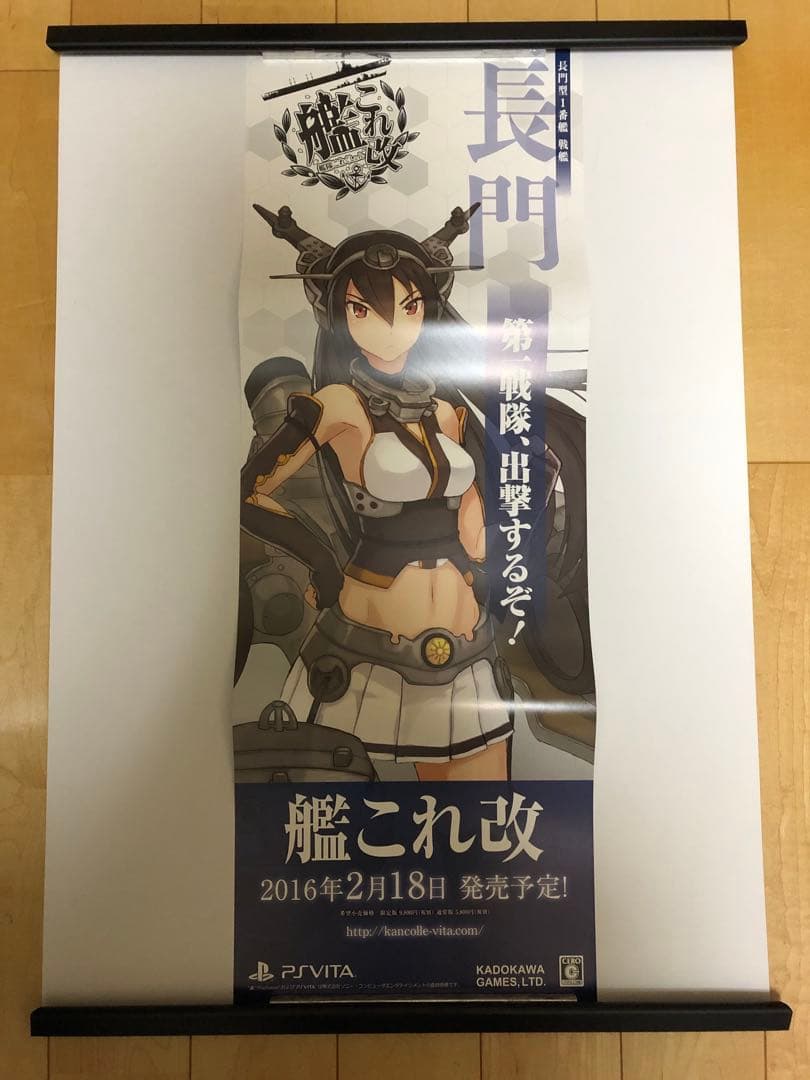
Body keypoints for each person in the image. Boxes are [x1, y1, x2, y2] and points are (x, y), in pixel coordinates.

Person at [240, 202, 517, 781]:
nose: (390, 327)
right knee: (346, 814)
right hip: (367, 652)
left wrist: (491, 558)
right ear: (341, 316)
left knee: (477, 820)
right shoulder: (339, 405)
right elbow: (250, 491)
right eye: (363, 309)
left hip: (466, 643)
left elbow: (470, 511)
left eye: (408, 307)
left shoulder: (447, 411)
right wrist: (321, 561)